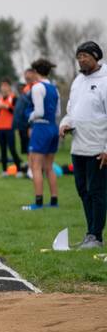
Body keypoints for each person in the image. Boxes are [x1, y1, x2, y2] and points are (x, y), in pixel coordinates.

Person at [60, 41, 107, 248]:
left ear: (96, 57)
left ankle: (96, 236)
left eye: (85, 56)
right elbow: (72, 110)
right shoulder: (78, 81)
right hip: (78, 146)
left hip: (97, 147)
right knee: (83, 190)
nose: (81, 59)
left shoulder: (105, 81)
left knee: (97, 191)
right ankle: (90, 233)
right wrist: (65, 124)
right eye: (79, 56)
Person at [22, 59, 61, 210]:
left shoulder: (37, 87)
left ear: (35, 71)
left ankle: (38, 203)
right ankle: (54, 201)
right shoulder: (54, 88)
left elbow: (39, 112)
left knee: (36, 167)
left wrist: (29, 116)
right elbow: (57, 112)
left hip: (41, 128)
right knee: (49, 167)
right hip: (53, 127)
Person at [0, 78, 22, 176]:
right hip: (0, 127)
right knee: (2, 150)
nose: (4, 87)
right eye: (2, 85)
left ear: (9, 87)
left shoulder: (14, 98)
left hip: (10, 127)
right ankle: (4, 171)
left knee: (12, 149)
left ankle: (19, 170)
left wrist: (6, 107)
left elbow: (16, 112)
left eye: (6, 85)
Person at [13, 68, 37, 159]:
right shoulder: (26, 89)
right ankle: (30, 169)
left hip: (29, 126)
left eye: (29, 74)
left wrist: (31, 126)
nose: (26, 77)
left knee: (32, 149)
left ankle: (34, 170)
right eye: (25, 75)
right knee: (27, 150)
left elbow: (34, 109)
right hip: (22, 126)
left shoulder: (36, 88)